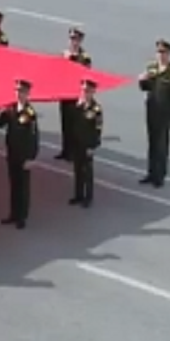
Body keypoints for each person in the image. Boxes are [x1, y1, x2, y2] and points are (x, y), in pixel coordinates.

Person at [139, 39, 170, 188]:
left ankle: (160, 176)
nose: (160, 55)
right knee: (152, 143)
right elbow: (145, 88)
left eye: (163, 52)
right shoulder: (152, 68)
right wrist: (142, 80)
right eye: (158, 52)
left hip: (164, 114)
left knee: (161, 146)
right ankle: (151, 173)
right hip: (152, 111)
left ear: (168, 54)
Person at [0, 78, 38, 229]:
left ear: (27, 93)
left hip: (23, 155)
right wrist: (2, 112)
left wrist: (31, 157)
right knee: (14, 185)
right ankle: (13, 214)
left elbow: (33, 137)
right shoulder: (11, 109)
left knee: (23, 187)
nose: (18, 94)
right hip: (12, 153)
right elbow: (0, 124)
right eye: (17, 91)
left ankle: (22, 216)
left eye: (22, 91)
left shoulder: (29, 113)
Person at [57, 28, 92, 160]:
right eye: (71, 39)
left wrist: (84, 96)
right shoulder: (64, 54)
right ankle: (65, 150)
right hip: (65, 93)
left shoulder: (84, 58)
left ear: (80, 40)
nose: (73, 42)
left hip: (77, 95)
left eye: (76, 39)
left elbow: (86, 76)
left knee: (75, 126)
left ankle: (73, 153)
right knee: (65, 123)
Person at [70, 78, 103, 207]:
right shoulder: (79, 105)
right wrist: (78, 105)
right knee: (77, 170)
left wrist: (93, 146)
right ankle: (78, 195)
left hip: (87, 144)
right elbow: (73, 122)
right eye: (83, 90)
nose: (85, 93)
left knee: (87, 172)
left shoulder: (96, 109)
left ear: (93, 91)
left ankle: (88, 197)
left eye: (88, 90)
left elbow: (97, 129)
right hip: (77, 143)